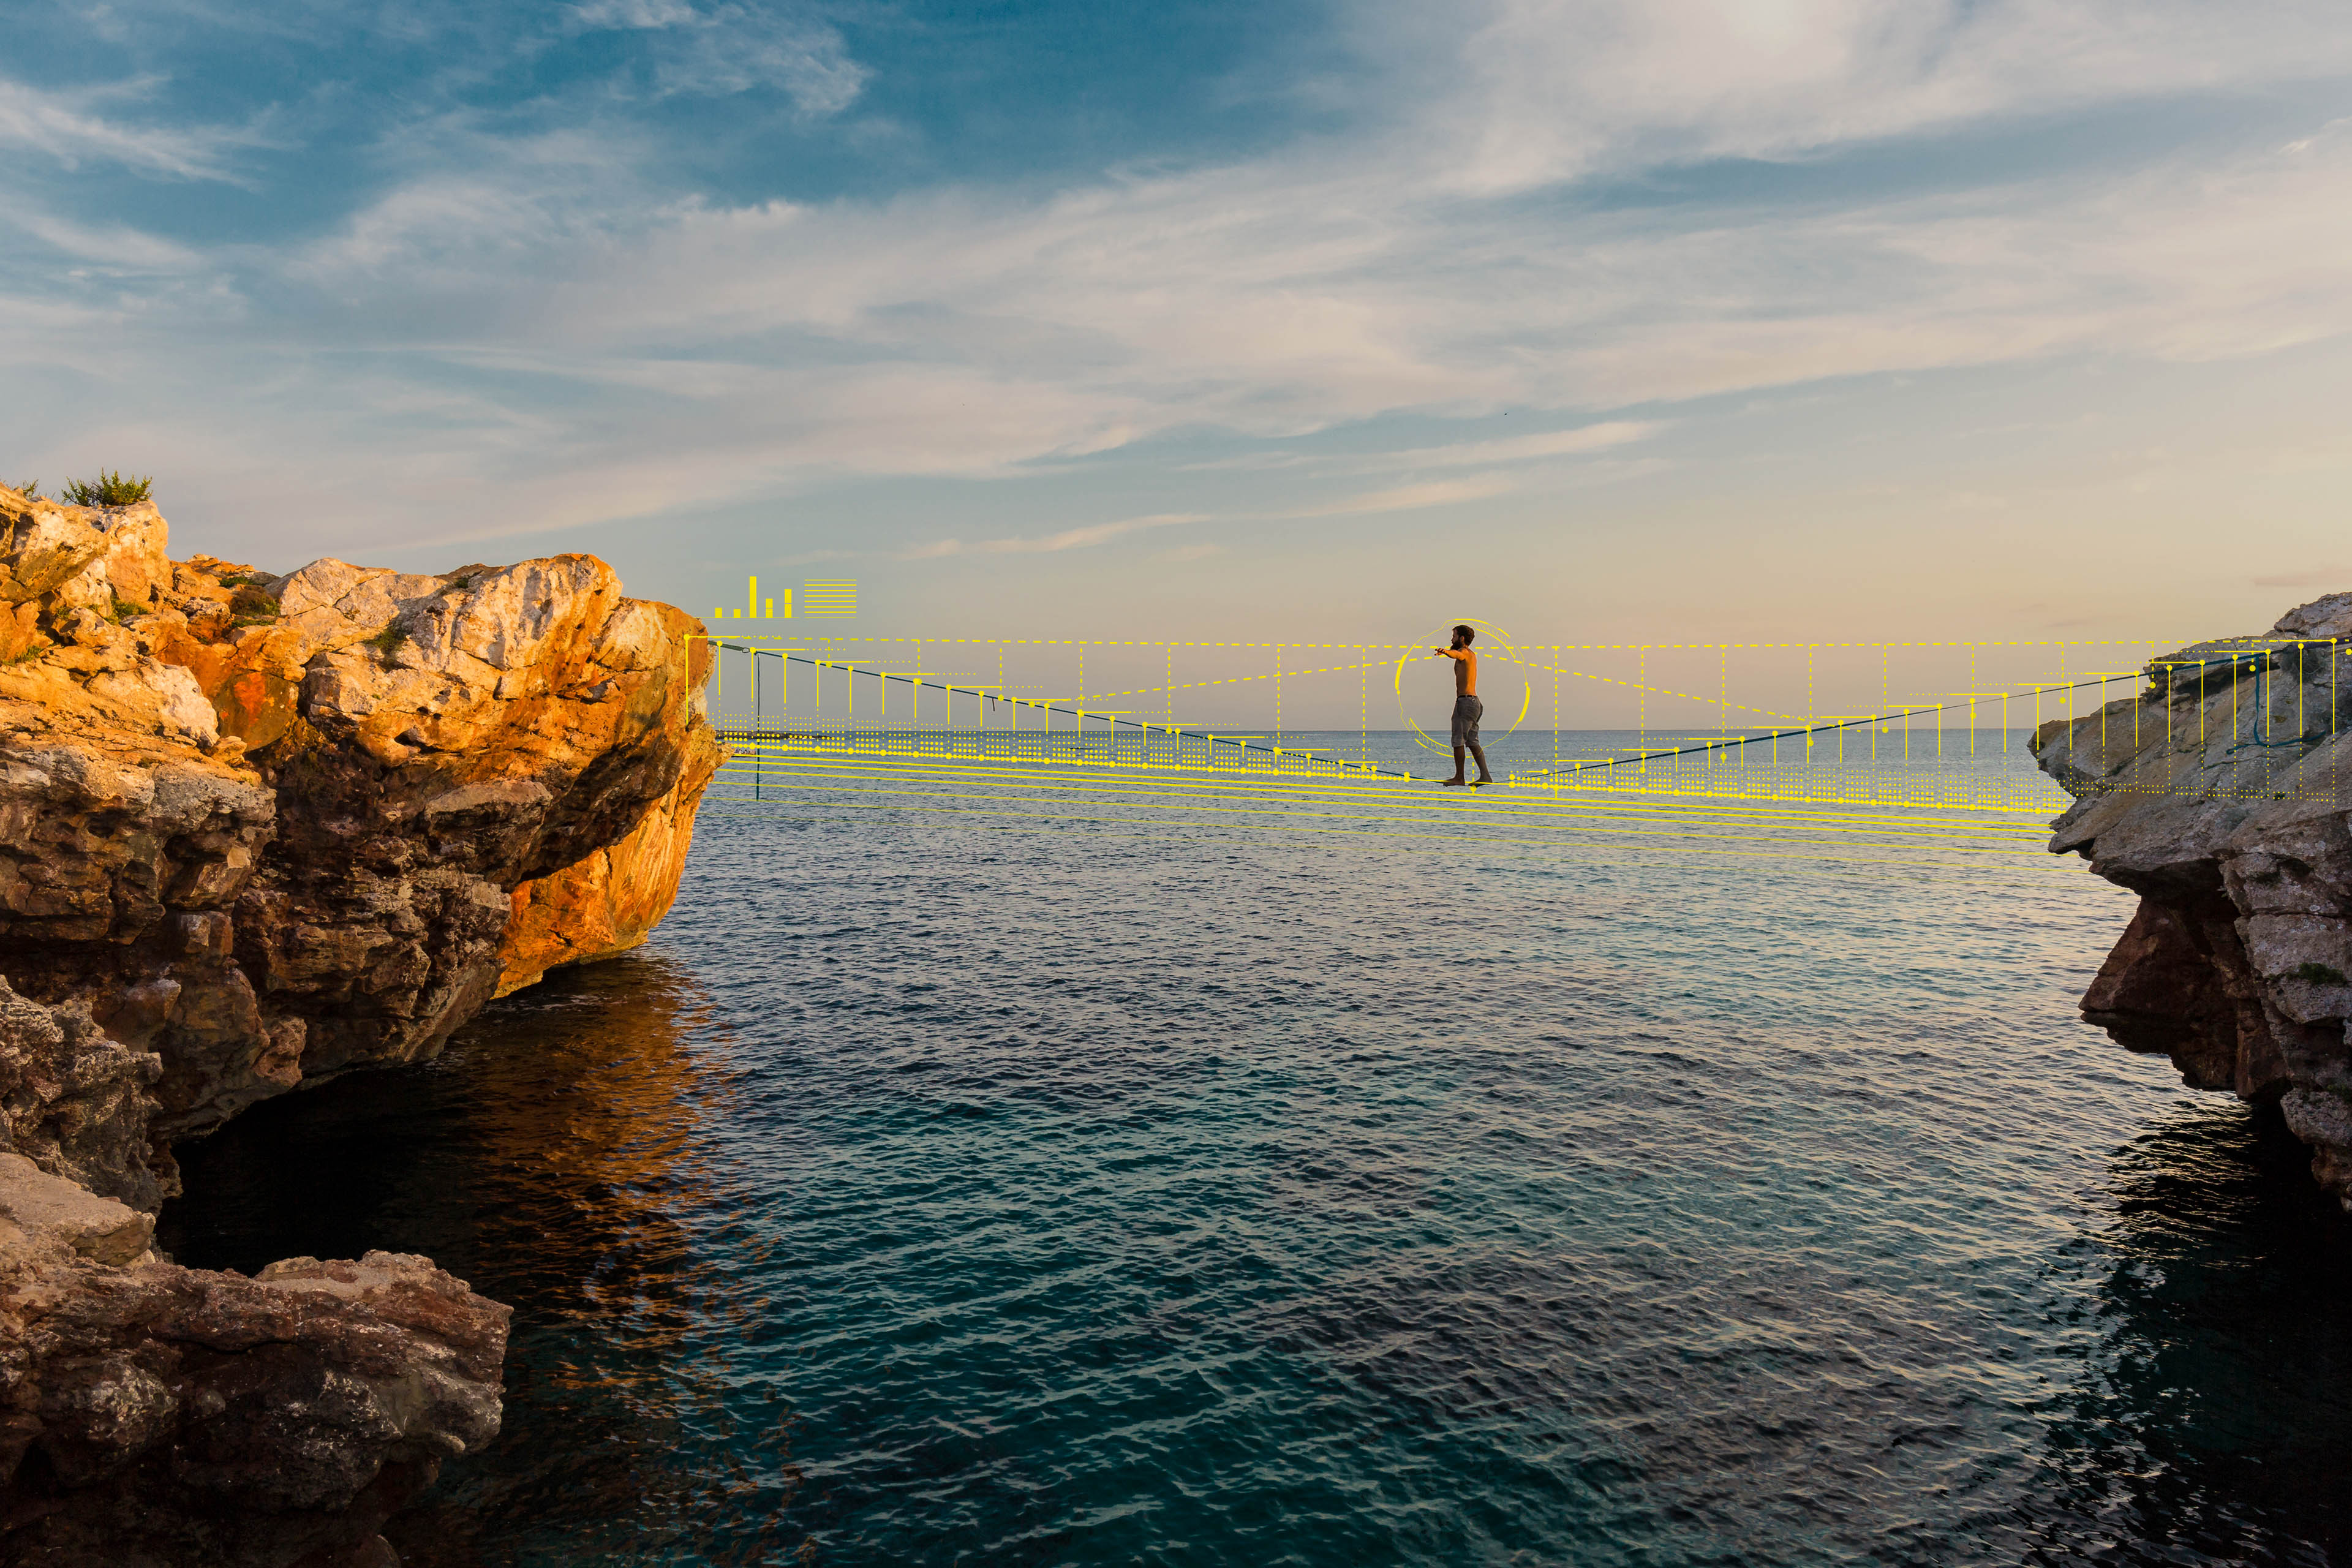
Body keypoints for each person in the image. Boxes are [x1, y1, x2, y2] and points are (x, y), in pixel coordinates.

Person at [1436, 624, 1493, 786]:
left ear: (1462, 638)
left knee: (1458, 740)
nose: (1451, 639)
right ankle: (1485, 776)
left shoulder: (1465, 653)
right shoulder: (1472, 655)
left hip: (1466, 703)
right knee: (1473, 741)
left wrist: (1446, 652)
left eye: (1454, 636)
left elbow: (1456, 654)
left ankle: (1459, 778)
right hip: (1474, 703)